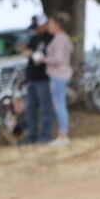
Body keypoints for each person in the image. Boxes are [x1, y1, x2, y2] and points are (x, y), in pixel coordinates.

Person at [19, 14, 53, 145]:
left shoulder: (50, 39)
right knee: (30, 108)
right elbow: (28, 52)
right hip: (31, 79)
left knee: (45, 108)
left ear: (44, 25)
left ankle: (46, 135)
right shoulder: (34, 39)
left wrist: (31, 53)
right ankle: (31, 135)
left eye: (37, 27)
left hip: (44, 79)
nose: (35, 30)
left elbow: (42, 57)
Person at [44, 12, 74, 146]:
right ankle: (62, 134)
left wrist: (42, 59)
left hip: (59, 75)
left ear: (57, 25)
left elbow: (58, 59)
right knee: (59, 104)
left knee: (59, 104)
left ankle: (63, 134)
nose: (48, 26)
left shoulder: (60, 39)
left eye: (50, 23)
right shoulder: (62, 38)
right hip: (60, 74)